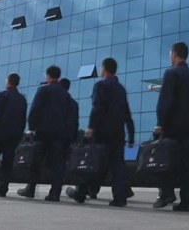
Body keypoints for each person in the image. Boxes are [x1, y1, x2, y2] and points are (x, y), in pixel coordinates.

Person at [67, 58, 135, 207]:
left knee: (92, 160)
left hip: (102, 132)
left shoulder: (101, 85)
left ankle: (81, 192)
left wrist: (91, 127)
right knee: (117, 165)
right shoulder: (121, 89)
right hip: (118, 133)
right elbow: (127, 113)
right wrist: (131, 135)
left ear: (103, 68)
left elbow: (98, 107)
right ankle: (120, 197)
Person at [152, 42, 189, 212]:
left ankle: (166, 193)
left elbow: (165, 101)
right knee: (186, 165)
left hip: (171, 126)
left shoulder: (171, 73)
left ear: (174, 53)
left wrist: (160, 123)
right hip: (187, 126)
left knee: (162, 159)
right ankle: (188, 202)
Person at [17, 66, 71, 202]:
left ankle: (31, 189)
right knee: (57, 164)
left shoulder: (44, 89)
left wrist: (31, 128)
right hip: (59, 132)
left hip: (43, 130)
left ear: (48, 75)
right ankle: (55, 193)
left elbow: (36, 108)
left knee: (36, 161)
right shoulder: (65, 93)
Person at [0, 73, 28, 197]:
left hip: (0, 133)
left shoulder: (2, 95)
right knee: (8, 162)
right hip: (15, 135)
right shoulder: (22, 99)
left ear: (8, 81)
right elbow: (23, 119)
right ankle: (2, 188)